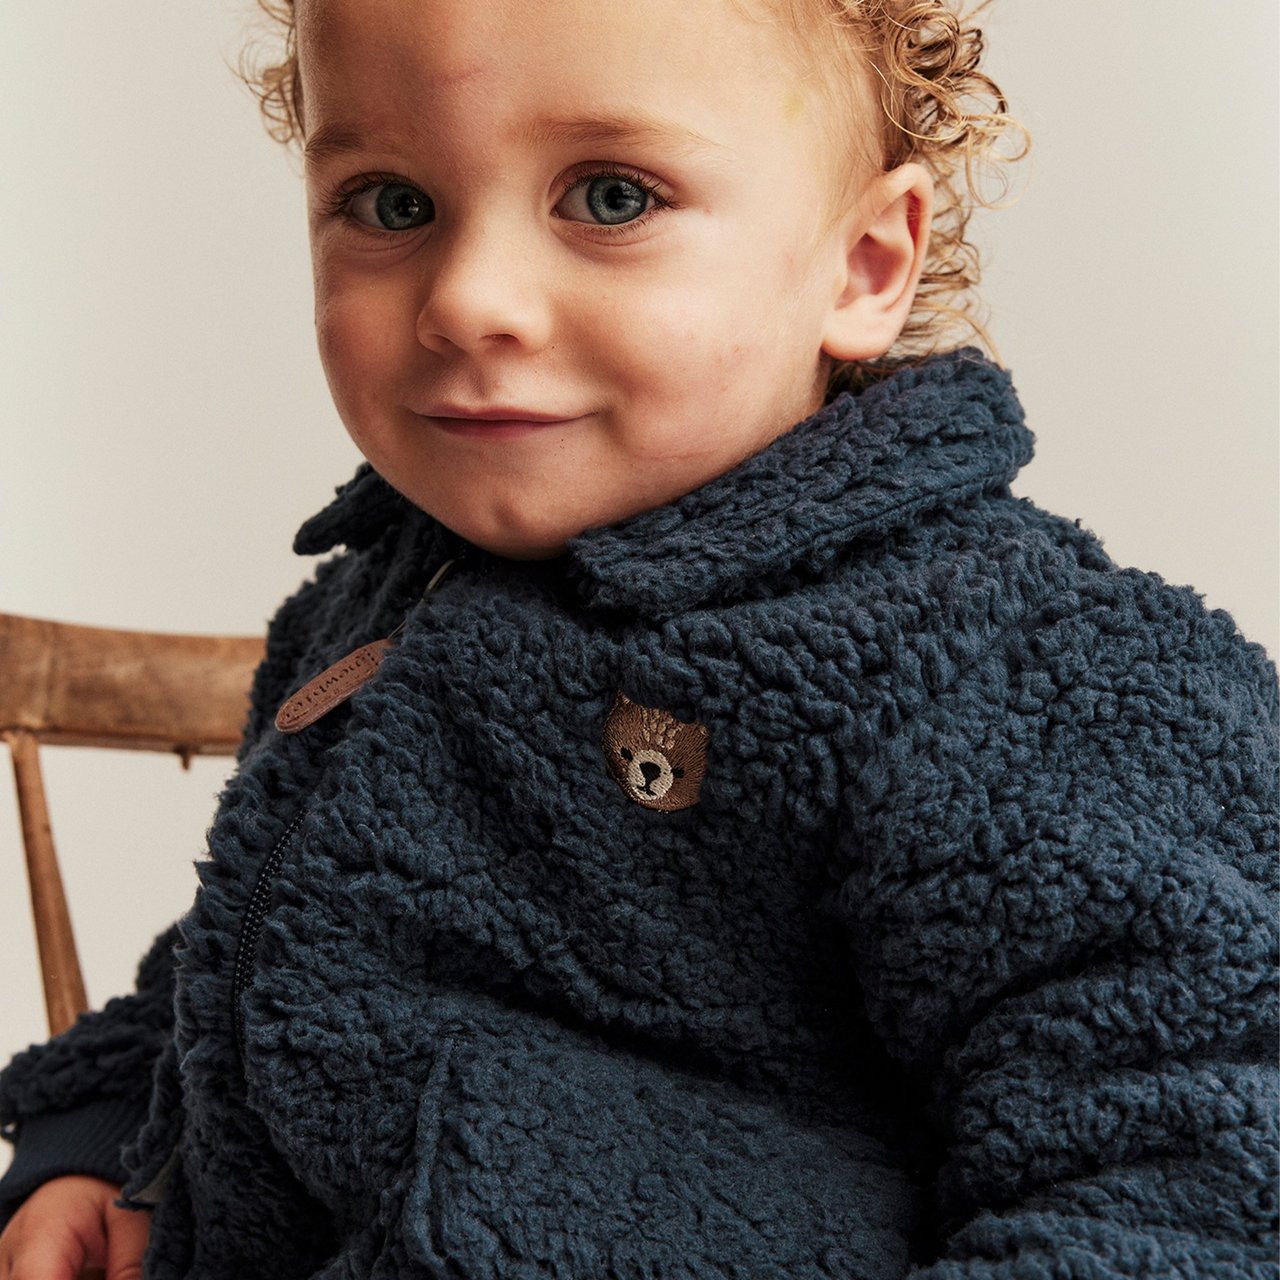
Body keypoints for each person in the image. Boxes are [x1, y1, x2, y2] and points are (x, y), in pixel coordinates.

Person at [1, 0, 1276, 1275]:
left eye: (611, 197)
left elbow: (1185, 1159)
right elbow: (261, 936)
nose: (469, 300)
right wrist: (113, 1141)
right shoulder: (378, 609)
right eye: (392, 203)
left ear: (864, 264)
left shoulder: (1006, 672)